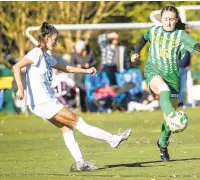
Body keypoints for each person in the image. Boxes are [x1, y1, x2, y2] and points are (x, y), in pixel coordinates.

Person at [13, 22, 131, 172]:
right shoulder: (36, 53)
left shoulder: (46, 57)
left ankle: (80, 163)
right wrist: (21, 89)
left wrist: (86, 71)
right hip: (43, 102)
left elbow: (66, 68)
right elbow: (16, 67)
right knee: (79, 122)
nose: (57, 41)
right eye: (55, 38)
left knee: (67, 129)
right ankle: (112, 139)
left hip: (43, 103)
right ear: (47, 38)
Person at [131, 6, 200, 162]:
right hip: (153, 72)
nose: (168, 22)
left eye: (171, 19)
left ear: (176, 20)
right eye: (165, 19)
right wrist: (136, 52)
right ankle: (174, 116)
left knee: (169, 123)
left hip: (172, 77)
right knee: (163, 89)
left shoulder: (181, 35)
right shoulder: (154, 30)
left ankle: (162, 144)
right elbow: (143, 39)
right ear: (161, 18)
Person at [71, 40, 97, 112]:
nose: (77, 51)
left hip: (89, 78)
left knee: (90, 92)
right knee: (82, 93)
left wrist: (89, 65)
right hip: (79, 78)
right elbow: (71, 65)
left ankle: (92, 108)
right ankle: (83, 108)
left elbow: (95, 62)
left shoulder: (90, 53)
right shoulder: (74, 54)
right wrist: (77, 66)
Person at [178, 24, 191, 107]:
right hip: (176, 68)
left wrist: (189, 64)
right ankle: (174, 102)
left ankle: (181, 102)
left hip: (184, 69)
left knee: (183, 87)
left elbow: (188, 55)